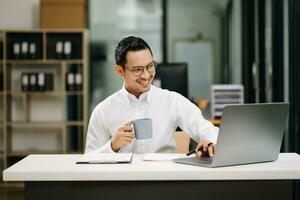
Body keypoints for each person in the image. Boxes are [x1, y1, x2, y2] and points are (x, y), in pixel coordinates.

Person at [85, 36, 218, 157]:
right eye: (137, 69)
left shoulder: (171, 100)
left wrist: (210, 141)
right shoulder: (103, 110)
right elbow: (88, 159)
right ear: (120, 71)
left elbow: (207, 129)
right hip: (123, 180)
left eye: (150, 66)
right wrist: (112, 146)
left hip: (164, 178)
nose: (146, 75)